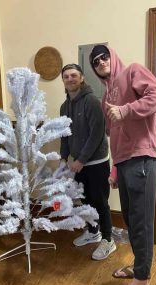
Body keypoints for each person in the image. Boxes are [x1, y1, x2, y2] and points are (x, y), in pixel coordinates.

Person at [89, 45, 156, 285]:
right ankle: (139, 267)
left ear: (112, 57)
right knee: (132, 220)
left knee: (142, 221)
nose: (100, 62)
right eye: (95, 61)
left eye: (103, 56)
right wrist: (114, 168)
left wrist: (125, 110)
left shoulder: (133, 71)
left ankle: (142, 281)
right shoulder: (104, 99)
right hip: (124, 162)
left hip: (144, 155)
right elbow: (115, 136)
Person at [60, 63, 116, 261]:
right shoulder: (64, 106)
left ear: (81, 78)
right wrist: (63, 158)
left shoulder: (92, 101)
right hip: (77, 164)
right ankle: (93, 232)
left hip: (97, 162)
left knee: (100, 202)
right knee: (85, 201)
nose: (70, 79)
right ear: (63, 81)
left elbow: (96, 134)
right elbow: (64, 135)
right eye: (66, 76)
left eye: (73, 75)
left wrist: (81, 160)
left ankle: (108, 240)